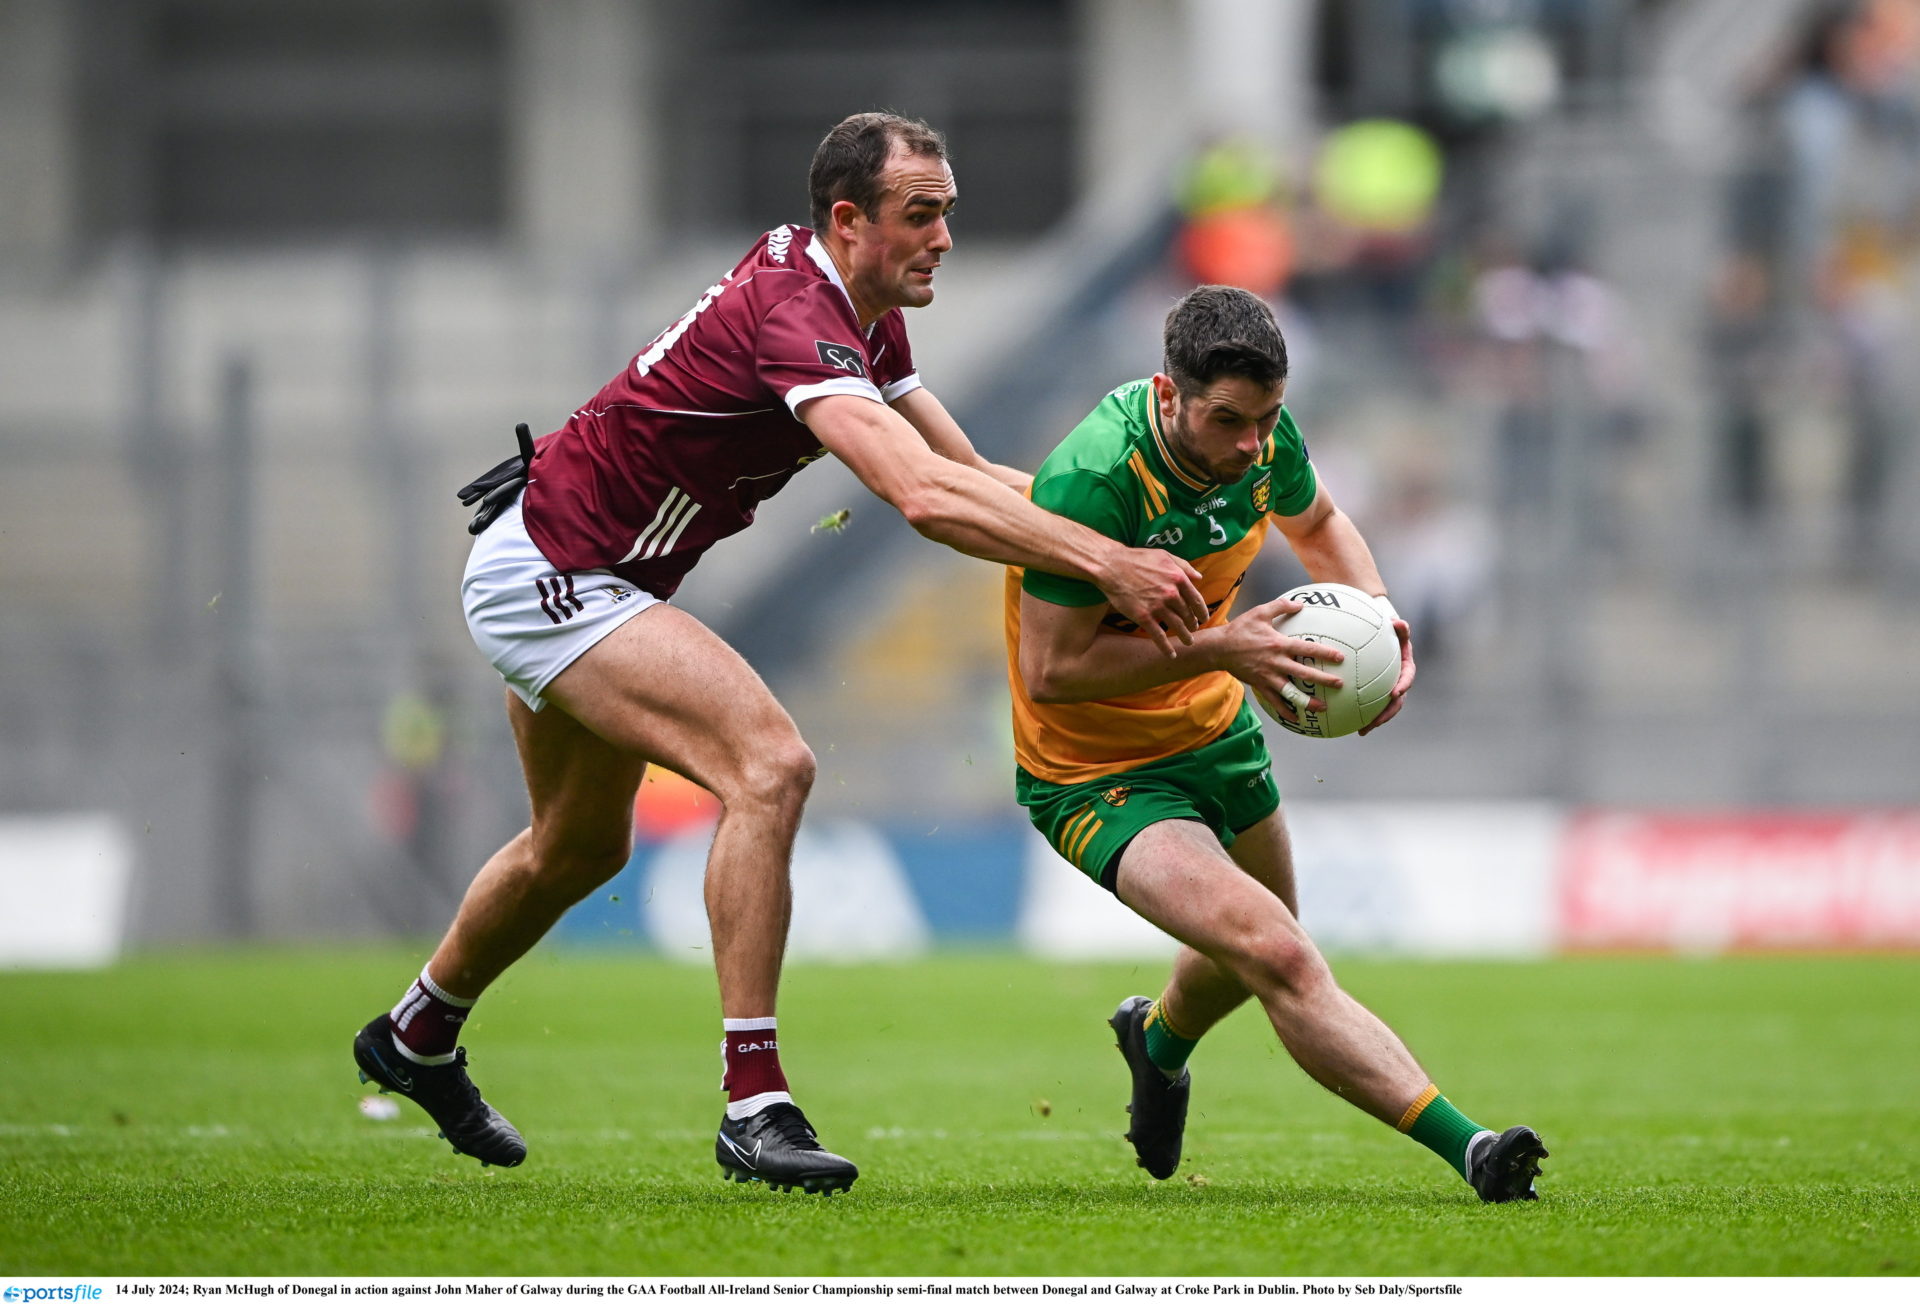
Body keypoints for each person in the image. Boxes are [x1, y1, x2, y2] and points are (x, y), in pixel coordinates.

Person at [352, 112, 1211, 1195]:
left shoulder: (861, 309)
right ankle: (754, 1105)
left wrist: (1124, 541)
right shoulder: (800, 315)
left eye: (948, 212)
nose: (944, 235)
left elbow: (984, 476)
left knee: (578, 847)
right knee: (771, 764)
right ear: (848, 221)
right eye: (921, 214)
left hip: (579, 563)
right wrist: (1107, 561)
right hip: (555, 573)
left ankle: (415, 1033)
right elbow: (920, 497)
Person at [1004, 284, 1548, 1201]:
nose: (1252, 444)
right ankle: (1475, 1149)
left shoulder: (1261, 438)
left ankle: (1158, 1042)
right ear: (1168, 394)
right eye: (1228, 420)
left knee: (1254, 948)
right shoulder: (1094, 482)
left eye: (1267, 419)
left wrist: (1380, 623)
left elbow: (1321, 523)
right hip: (1095, 771)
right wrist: (1222, 646)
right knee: (1281, 955)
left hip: (1214, 729)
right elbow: (1052, 671)